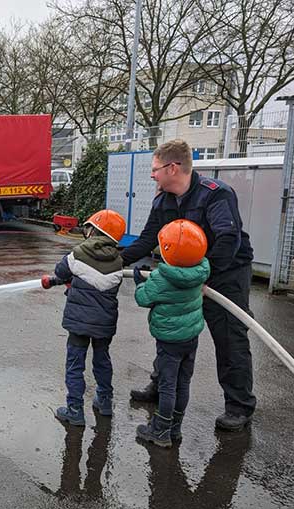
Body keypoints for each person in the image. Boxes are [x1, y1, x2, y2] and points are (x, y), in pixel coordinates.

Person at [121, 139, 257, 432]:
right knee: (172, 329)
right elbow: (147, 240)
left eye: (156, 169)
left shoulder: (216, 195)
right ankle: (160, 388)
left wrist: (200, 278)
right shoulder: (164, 200)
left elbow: (228, 241)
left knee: (230, 337)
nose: (152, 174)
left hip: (226, 273)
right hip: (185, 275)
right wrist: (113, 260)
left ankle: (239, 406)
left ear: (173, 168)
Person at [134, 219, 210, 447]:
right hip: (191, 338)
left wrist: (140, 283)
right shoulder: (199, 272)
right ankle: (175, 428)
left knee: (167, 385)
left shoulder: (161, 278)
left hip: (169, 341)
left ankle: (160, 431)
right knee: (182, 383)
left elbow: (143, 299)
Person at [50, 209, 125, 427]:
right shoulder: (118, 260)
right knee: (102, 360)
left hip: (78, 323)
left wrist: (72, 280)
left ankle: (74, 410)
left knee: (75, 364)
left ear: (94, 230)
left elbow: (61, 272)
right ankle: (105, 401)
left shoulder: (78, 253)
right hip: (104, 323)